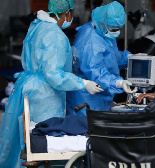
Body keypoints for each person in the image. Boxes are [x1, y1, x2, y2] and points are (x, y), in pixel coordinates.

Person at [0, 0, 103, 167]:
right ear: (67, 13)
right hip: (45, 96)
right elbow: (54, 75)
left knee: (27, 140)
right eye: (71, 13)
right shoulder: (56, 36)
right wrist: (83, 83)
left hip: (30, 88)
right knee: (42, 144)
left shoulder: (38, 26)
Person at [66, 1, 136, 115]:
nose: (117, 32)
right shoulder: (90, 42)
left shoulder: (103, 31)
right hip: (86, 101)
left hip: (100, 100)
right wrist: (117, 83)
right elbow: (97, 72)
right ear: (102, 23)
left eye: (119, 28)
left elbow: (111, 58)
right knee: (87, 130)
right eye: (114, 29)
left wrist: (130, 58)